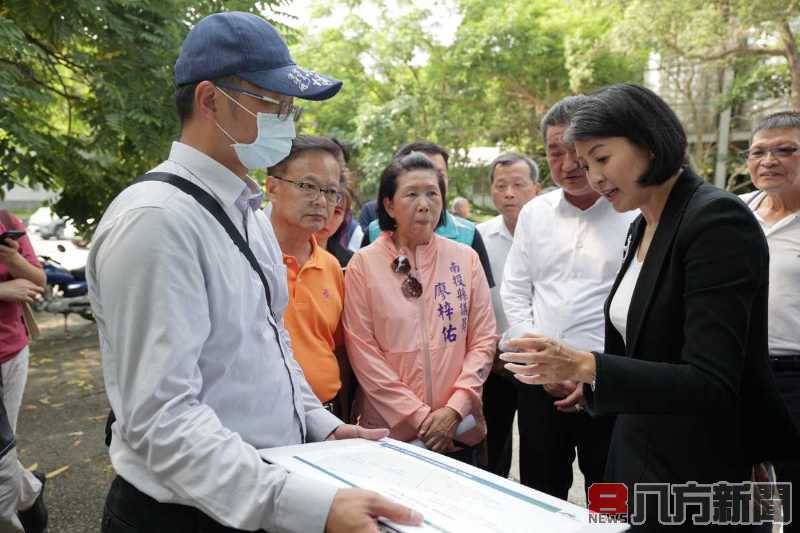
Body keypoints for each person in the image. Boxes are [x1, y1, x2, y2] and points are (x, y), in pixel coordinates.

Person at [87, 12, 421, 533]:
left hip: (259, 487)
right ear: (209, 100)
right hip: (185, 513)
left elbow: (272, 351)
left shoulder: (245, 214)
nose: (285, 120)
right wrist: (305, 505)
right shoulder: (157, 222)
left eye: (289, 108)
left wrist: (323, 428)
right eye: (270, 103)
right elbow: (161, 418)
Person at [502, 84, 800, 531]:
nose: (595, 176)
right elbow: (646, 346)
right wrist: (592, 386)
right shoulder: (644, 222)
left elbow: (712, 381)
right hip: (638, 444)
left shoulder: (716, 220)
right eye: (586, 165)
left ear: (648, 141)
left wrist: (587, 366)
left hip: (696, 461)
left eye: (602, 158)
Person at [500, 97, 636, 499]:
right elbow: (516, 288)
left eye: (577, 151)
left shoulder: (633, 213)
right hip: (538, 380)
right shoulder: (534, 213)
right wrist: (542, 361)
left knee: (609, 494)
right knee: (539, 491)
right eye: (555, 152)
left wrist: (589, 372)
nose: (569, 164)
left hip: (608, 380)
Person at [343, 153, 496, 465]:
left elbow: (483, 339)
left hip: (458, 429)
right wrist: (421, 418)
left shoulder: (465, 259)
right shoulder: (364, 263)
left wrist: (455, 409)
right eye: (411, 194)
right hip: (389, 433)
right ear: (388, 205)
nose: (424, 204)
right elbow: (362, 350)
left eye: (432, 193)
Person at [741, 111, 800, 533]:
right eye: (759, 151)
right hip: (734, 374)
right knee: (739, 495)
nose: (769, 160)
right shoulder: (733, 212)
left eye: (786, 150)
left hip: (793, 377)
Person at [268, 135, 350, 418]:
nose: (320, 201)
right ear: (272, 187)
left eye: (330, 191)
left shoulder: (330, 267)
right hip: (266, 420)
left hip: (327, 415)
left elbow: (335, 347)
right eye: (307, 186)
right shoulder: (246, 259)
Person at [476, 152, 540, 477]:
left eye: (518, 184)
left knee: (538, 452)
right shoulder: (480, 237)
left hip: (540, 364)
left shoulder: (550, 234)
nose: (509, 193)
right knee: (494, 449)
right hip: (494, 364)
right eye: (501, 186)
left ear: (536, 189)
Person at [362, 141, 495, 288]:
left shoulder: (469, 235)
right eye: (412, 192)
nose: (426, 178)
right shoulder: (373, 234)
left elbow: (483, 303)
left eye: (437, 173)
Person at [0, 210, 47, 533]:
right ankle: (29, 492)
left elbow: (38, 280)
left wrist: (14, 260)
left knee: (3, 451)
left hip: (9, 354)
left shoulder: (7, 220)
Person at [316, 184, 356, 268]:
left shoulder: (349, 263)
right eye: (323, 207)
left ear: (344, 218)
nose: (328, 217)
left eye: (337, 212)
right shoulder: (282, 253)